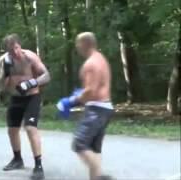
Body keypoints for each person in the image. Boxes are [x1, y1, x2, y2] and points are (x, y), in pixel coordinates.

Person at [56, 32, 114, 180]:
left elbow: (90, 91)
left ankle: (101, 177)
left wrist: (71, 101)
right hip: (105, 107)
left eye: (77, 43)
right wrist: (80, 94)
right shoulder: (101, 59)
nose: (76, 46)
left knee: (79, 144)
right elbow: (96, 86)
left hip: (96, 109)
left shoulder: (90, 64)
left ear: (85, 44)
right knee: (94, 148)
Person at [0, 34, 50, 180]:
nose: (14, 52)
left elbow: (46, 75)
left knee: (30, 128)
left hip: (32, 97)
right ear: (6, 50)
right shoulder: (4, 60)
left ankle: (38, 165)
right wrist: (5, 75)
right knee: (12, 130)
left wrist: (31, 83)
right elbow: (1, 82)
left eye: (16, 48)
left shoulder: (30, 57)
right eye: (10, 50)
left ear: (20, 46)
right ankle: (17, 159)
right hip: (15, 98)